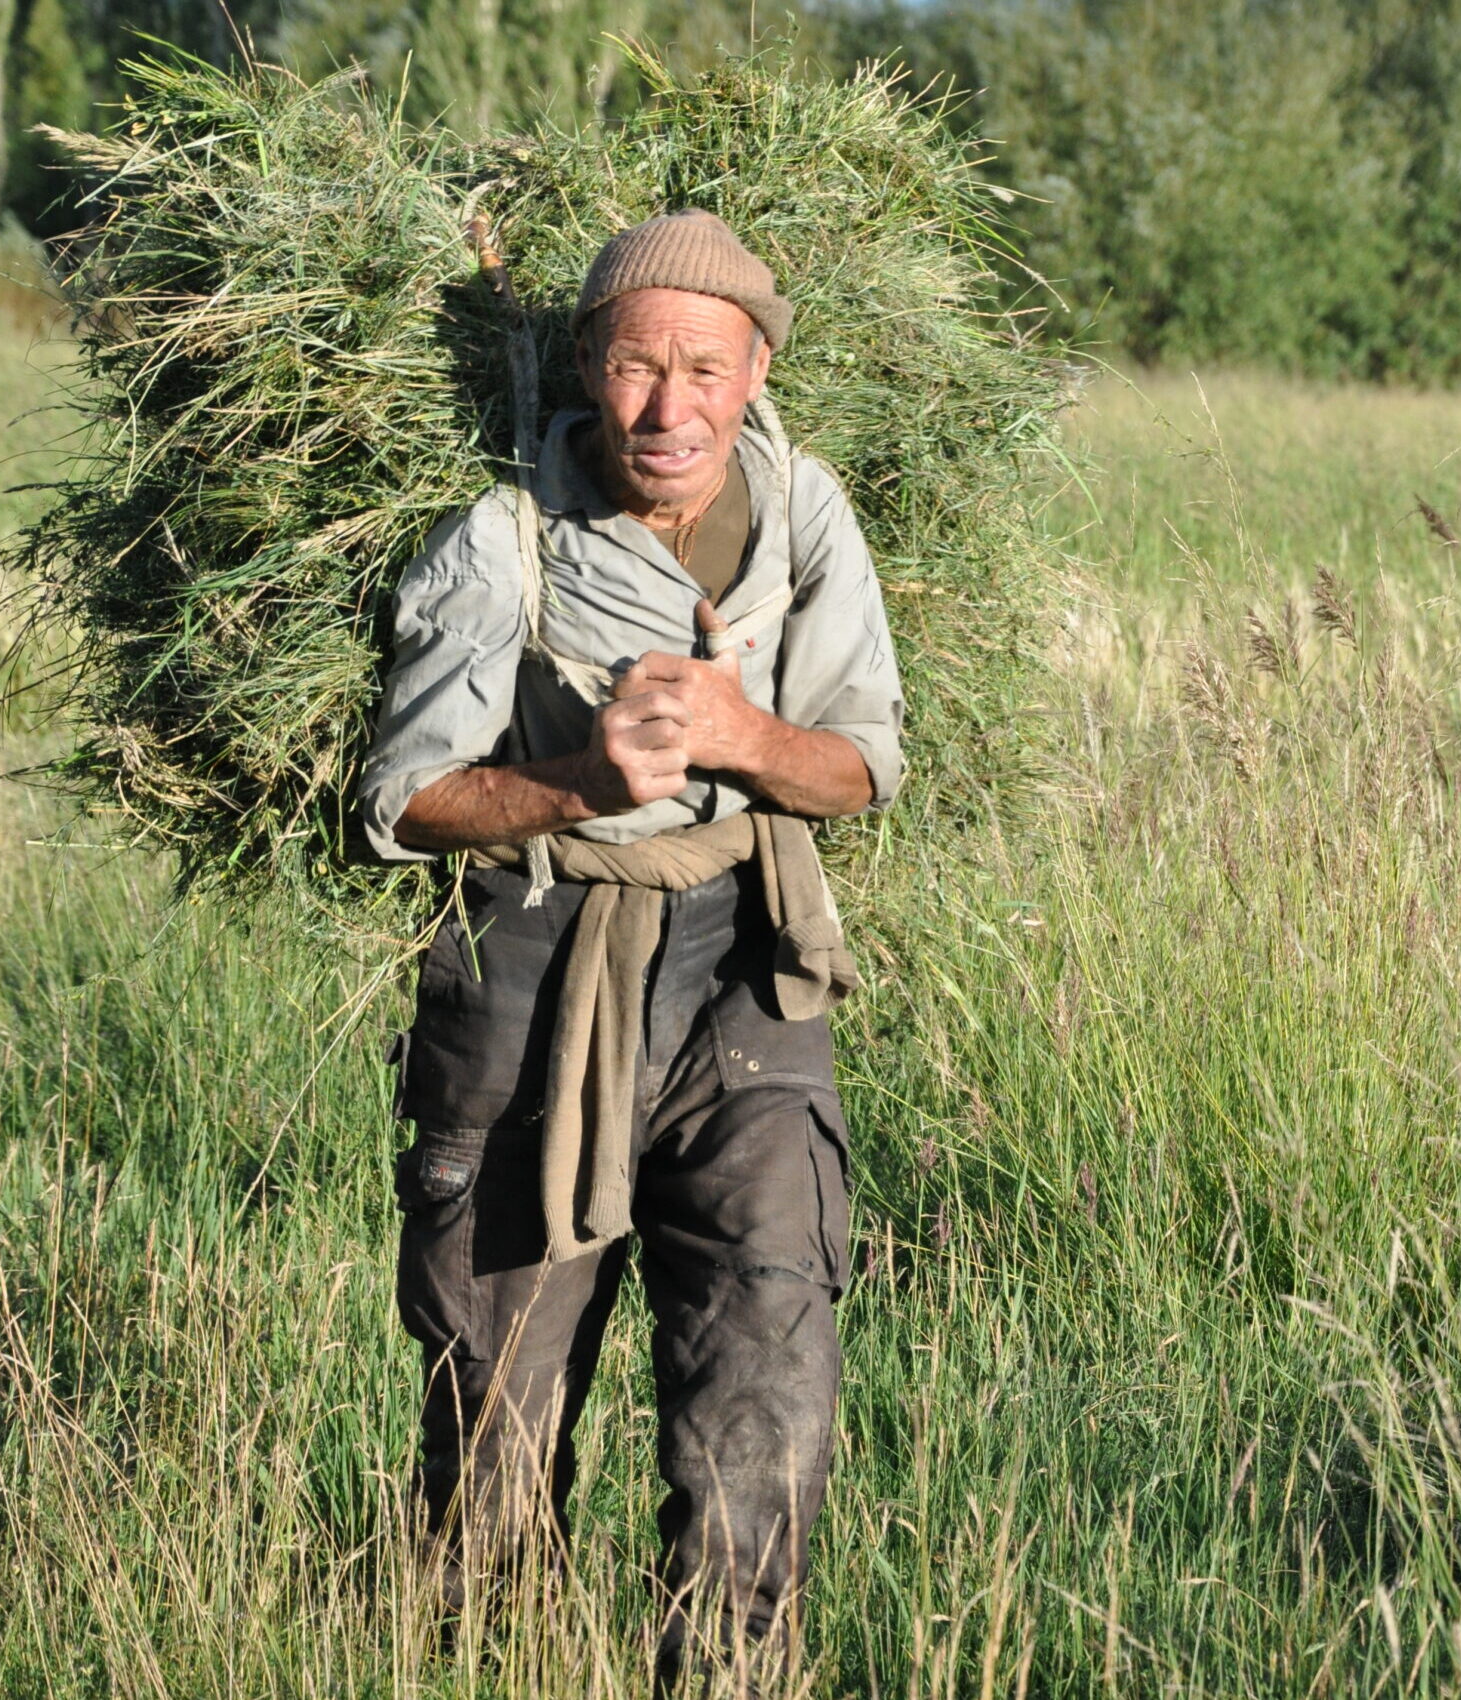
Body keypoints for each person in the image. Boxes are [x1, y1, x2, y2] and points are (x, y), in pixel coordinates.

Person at [357, 208, 904, 1688]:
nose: (673, 409)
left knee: (767, 1366)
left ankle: (724, 1672)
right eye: (640, 367)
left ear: (756, 372)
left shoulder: (804, 516)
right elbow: (404, 799)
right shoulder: (503, 539)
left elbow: (862, 766)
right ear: (588, 367)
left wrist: (745, 738)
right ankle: (481, 1660)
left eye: (708, 370)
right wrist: (579, 785)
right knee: (498, 1392)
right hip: (535, 968)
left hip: (747, 970)